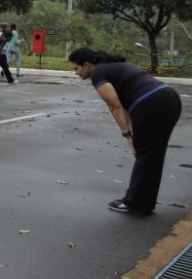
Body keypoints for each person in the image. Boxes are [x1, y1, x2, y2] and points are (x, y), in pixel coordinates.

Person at [69, 48, 183, 215]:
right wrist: (132, 133)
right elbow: (128, 106)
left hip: (150, 103)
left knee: (145, 156)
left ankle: (134, 203)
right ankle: (145, 202)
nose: (75, 73)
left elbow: (115, 106)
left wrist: (127, 135)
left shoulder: (98, 73)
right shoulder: (116, 66)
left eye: (76, 68)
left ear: (87, 65)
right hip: (169, 99)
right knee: (152, 156)